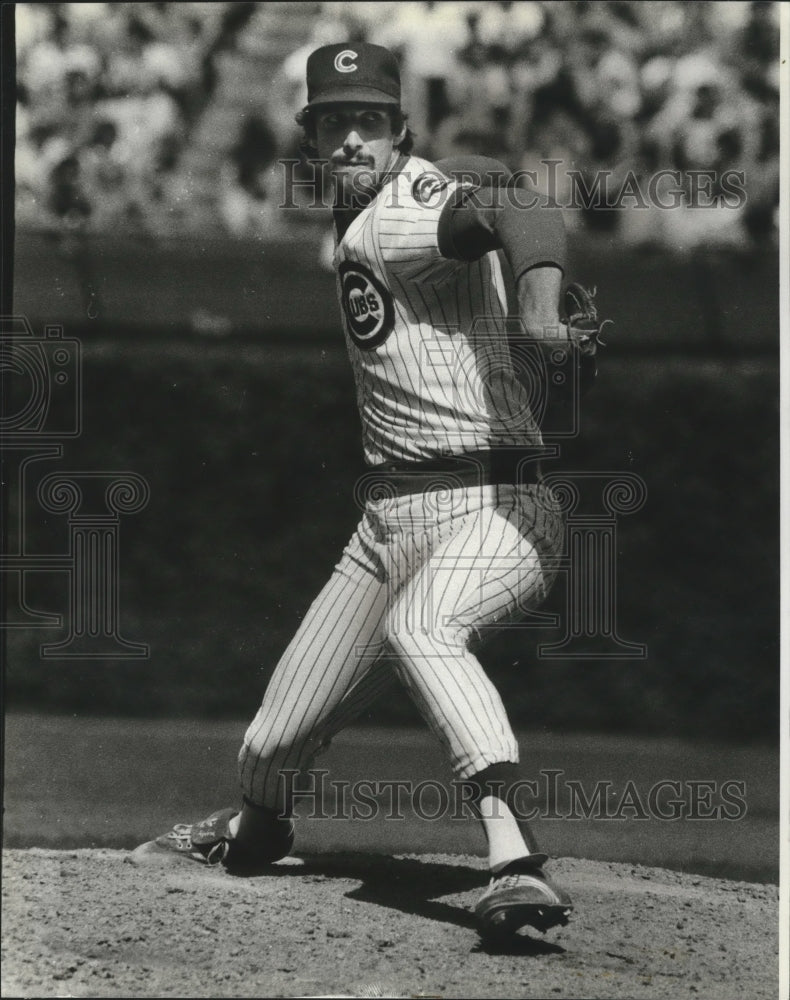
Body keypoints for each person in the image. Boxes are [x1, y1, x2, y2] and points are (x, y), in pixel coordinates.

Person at [131, 41, 595, 943]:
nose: (350, 138)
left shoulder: (411, 205)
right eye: (333, 122)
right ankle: (259, 831)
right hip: (386, 525)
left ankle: (514, 861)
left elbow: (513, 201)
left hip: (494, 508)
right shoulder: (359, 219)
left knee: (424, 627)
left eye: (368, 122)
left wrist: (538, 307)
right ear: (311, 139)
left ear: (399, 132)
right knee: (268, 749)